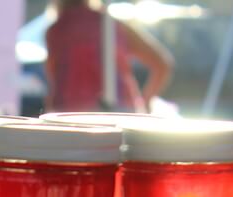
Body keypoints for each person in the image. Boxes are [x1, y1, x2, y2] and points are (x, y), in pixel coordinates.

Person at [44, 0, 173, 113]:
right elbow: (162, 64)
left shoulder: (56, 30)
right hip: (119, 111)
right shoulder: (112, 25)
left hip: (67, 113)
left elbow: (53, 77)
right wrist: (146, 101)